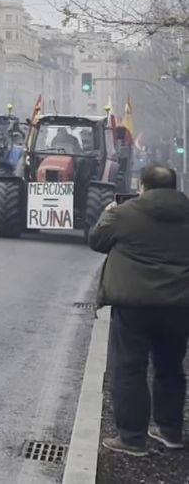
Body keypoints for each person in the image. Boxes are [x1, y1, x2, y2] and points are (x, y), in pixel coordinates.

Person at [89, 164, 189, 456]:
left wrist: (107, 213)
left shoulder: (124, 214)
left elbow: (97, 241)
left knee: (130, 368)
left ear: (143, 187)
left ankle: (132, 438)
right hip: (179, 305)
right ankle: (170, 431)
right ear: (174, 186)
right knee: (171, 367)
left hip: (134, 306)